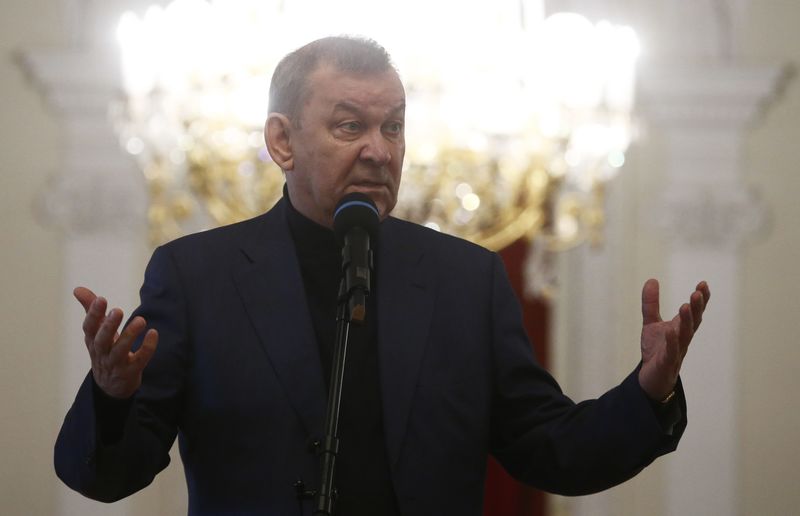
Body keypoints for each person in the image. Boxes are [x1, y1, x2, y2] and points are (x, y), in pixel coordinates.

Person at [55, 36, 710, 515]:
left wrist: (648, 391)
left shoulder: (466, 281)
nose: (380, 149)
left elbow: (551, 449)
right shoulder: (197, 276)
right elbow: (109, 476)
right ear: (282, 142)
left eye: (393, 127)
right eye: (350, 126)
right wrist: (112, 398)